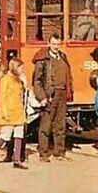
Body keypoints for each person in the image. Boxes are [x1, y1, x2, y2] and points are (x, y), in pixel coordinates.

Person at [33, 33, 74, 162]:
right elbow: (37, 81)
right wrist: (42, 97)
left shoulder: (63, 57)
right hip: (50, 95)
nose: (56, 46)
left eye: (58, 44)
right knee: (46, 126)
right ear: (49, 43)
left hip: (62, 94)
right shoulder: (43, 60)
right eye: (54, 44)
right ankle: (43, 154)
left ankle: (59, 152)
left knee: (60, 125)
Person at [0, 59, 28, 169]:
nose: (22, 70)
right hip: (8, 111)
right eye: (20, 68)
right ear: (15, 68)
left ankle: (17, 160)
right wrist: (4, 112)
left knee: (19, 135)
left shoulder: (18, 80)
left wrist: (24, 83)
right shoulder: (5, 80)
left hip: (18, 111)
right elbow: (3, 97)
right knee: (5, 136)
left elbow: (23, 93)